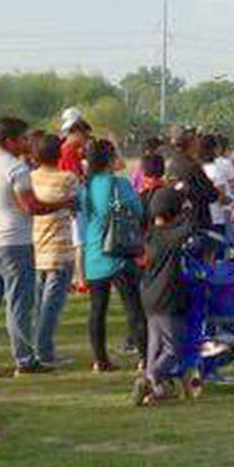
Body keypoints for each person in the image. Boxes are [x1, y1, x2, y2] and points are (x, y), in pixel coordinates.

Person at [0, 116, 53, 378]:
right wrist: (63, 203)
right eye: (24, 138)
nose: (28, 143)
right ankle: (24, 360)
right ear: (10, 141)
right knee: (18, 303)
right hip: (15, 242)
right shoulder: (17, 169)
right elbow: (30, 206)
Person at [79, 138, 145, 371]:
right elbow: (138, 211)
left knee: (97, 309)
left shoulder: (85, 186)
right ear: (109, 160)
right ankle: (144, 356)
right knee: (134, 307)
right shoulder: (120, 184)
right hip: (118, 254)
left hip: (94, 253)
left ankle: (100, 359)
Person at [135, 186, 200, 403]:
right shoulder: (171, 238)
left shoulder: (151, 236)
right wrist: (190, 208)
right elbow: (190, 227)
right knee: (174, 347)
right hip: (167, 299)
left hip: (149, 298)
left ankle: (152, 385)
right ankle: (153, 376)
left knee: (155, 345)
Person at [28, 132, 80, 366]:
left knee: (39, 304)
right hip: (60, 250)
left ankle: (35, 347)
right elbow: (76, 205)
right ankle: (45, 352)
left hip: (37, 246)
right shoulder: (67, 178)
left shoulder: (29, 178)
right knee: (52, 305)